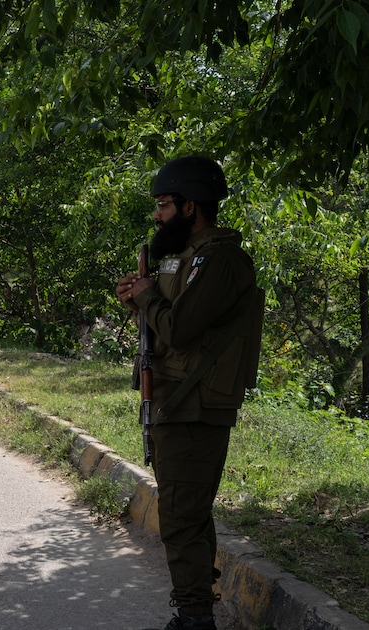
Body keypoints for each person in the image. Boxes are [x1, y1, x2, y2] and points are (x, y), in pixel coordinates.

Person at [116, 157, 264, 630]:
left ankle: (195, 618)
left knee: (180, 517)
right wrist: (138, 299)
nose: (157, 215)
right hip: (173, 402)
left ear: (190, 206)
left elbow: (178, 328)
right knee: (188, 513)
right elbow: (165, 324)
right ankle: (197, 607)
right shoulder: (184, 255)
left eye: (164, 204)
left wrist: (147, 297)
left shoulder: (218, 259)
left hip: (195, 407)